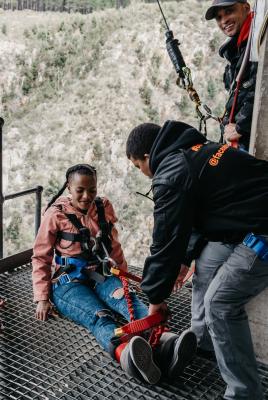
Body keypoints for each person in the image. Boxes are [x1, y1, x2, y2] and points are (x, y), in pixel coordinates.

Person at [126, 120, 268, 400]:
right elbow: (192, 217)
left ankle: (244, 393)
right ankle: (203, 343)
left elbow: (165, 240)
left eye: (138, 167)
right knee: (205, 263)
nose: (143, 173)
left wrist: (155, 301)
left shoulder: (171, 173)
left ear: (146, 157)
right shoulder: (193, 149)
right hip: (247, 223)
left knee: (219, 303)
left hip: (261, 231)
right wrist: (185, 259)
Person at [32, 163, 197, 384]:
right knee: (100, 316)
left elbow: (114, 247)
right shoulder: (56, 215)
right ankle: (128, 354)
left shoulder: (102, 207)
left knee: (127, 300)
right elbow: (41, 257)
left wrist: (125, 277)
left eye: (92, 190)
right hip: (68, 283)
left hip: (102, 274)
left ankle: (166, 342)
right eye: (79, 190)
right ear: (69, 188)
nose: (86, 196)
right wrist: (42, 298)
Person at [205, 0, 257, 150]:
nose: (224, 20)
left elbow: (262, 88)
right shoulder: (237, 50)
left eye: (229, 11)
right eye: (219, 17)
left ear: (246, 8)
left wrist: (240, 126)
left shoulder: (260, 41)